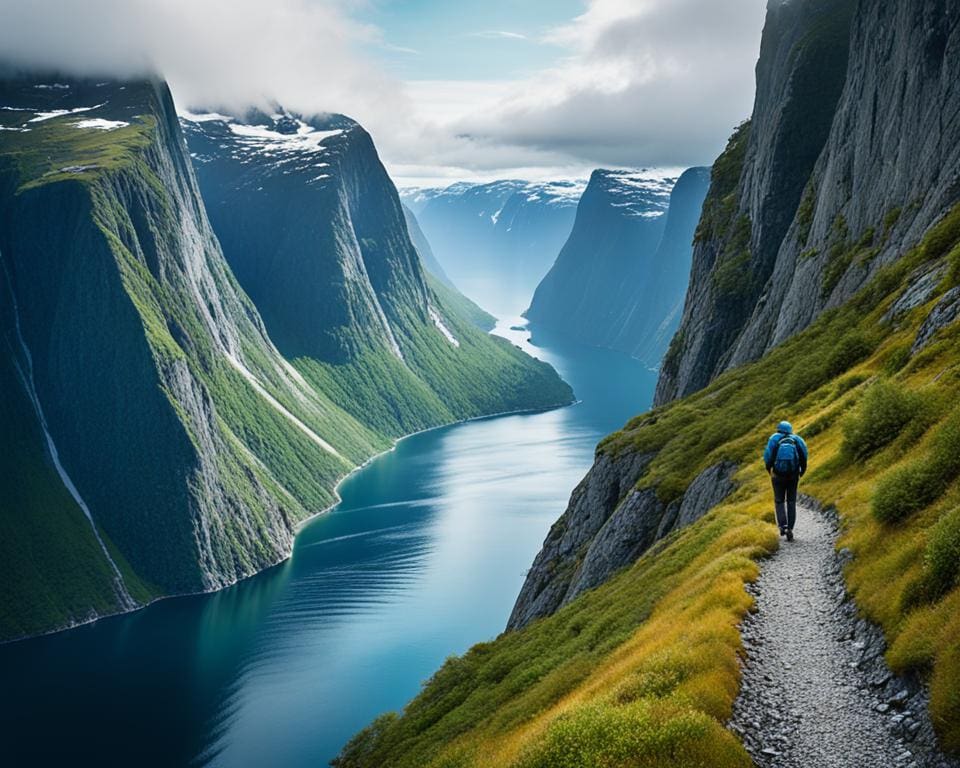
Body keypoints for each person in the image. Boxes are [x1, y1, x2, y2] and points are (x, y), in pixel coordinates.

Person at [763, 421, 808, 542]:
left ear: (779, 429)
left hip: (777, 475)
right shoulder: (797, 439)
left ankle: (782, 526)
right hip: (793, 475)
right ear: (790, 429)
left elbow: (767, 456)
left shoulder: (774, 438)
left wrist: (769, 469)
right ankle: (790, 529)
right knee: (791, 501)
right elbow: (804, 456)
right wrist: (802, 471)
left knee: (779, 501)